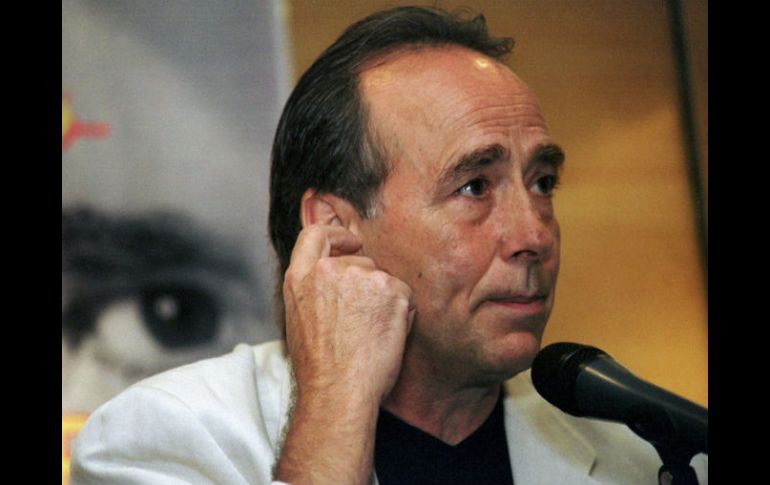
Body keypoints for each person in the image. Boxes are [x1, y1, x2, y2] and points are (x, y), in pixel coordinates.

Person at [71, 6, 708, 485]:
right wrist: (335, 405)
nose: (534, 235)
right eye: (474, 186)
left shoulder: (636, 455)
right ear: (334, 235)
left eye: (542, 183)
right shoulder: (160, 438)